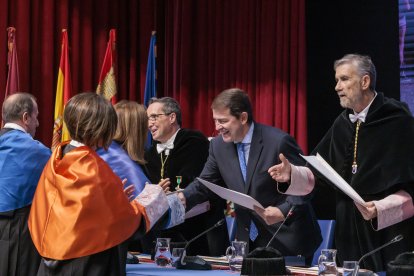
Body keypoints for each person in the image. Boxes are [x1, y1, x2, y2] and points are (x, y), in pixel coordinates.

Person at [269, 54, 414, 272]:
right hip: (348, 225)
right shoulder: (343, 122)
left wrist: (382, 208)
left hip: (386, 228)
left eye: (344, 79)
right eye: (337, 80)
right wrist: (292, 174)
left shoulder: (397, 120)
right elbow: (319, 172)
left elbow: (411, 183)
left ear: (365, 82)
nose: (337, 87)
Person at [28, 93, 169, 275]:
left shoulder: (59, 155)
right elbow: (125, 224)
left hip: (52, 261)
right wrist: (152, 198)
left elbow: (70, 212)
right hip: (87, 264)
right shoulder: (92, 166)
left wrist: (113, 202)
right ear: (103, 128)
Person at [178, 88, 322, 264]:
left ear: (243, 118)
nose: (217, 128)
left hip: (288, 240)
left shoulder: (278, 141)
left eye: (223, 121)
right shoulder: (217, 146)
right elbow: (205, 184)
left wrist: (283, 211)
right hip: (248, 242)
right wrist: (181, 198)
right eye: (215, 121)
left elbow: (307, 185)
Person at [143, 96, 229, 256]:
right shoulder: (148, 154)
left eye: (154, 117)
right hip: (165, 234)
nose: (149, 124)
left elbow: (199, 186)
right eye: (148, 119)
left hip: (200, 230)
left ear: (172, 117)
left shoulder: (195, 143)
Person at [0, 93, 51, 276]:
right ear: (26, 117)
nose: (37, 123)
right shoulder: (39, 152)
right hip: (17, 232)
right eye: (36, 117)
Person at [97, 100, 150, 197]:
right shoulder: (118, 159)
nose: (149, 128)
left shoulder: (106, 148)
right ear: (137, 130)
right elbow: (143, 206)